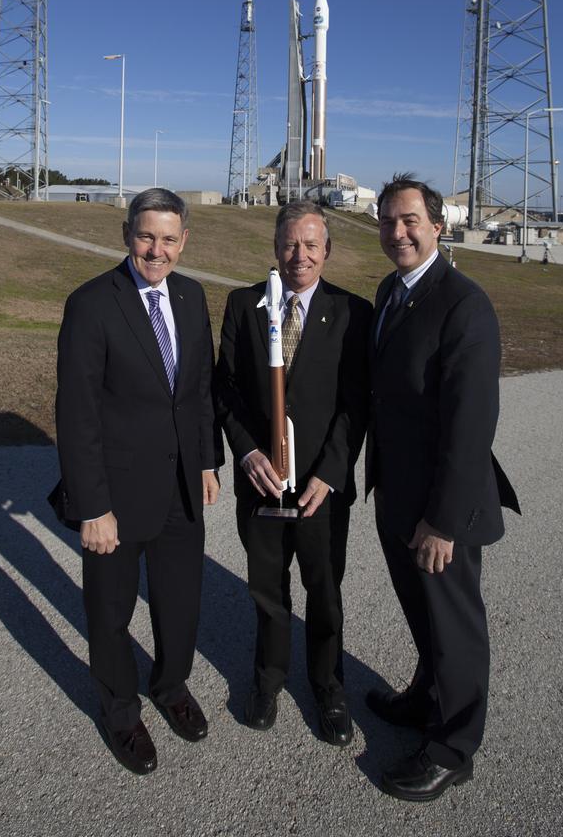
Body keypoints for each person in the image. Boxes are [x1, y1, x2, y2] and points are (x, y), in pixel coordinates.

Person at [52, 188, 220, 776]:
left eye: (169, 238)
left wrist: (207, 460)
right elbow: (77, 415)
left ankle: (170, 686)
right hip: (117, 499)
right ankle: (121, 714)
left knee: (180, 603)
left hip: (181, 490)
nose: (157, 249)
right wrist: (91, 506)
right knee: (110, 612)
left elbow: (199, 389)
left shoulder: (193, 296)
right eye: (146, 236)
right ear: (126, 234)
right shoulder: (93, 303)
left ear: (184, 240)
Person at [367, 173, 520, 802]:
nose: (397, 231)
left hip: (440, 508)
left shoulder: (463, 303)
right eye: (387, 221)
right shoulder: (389, 292)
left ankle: (455, 747)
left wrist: (444, 521)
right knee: (421, 615)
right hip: (398, 494)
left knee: (455, 627)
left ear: (437, 225)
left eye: (409, 220)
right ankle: (427, 696)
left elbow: (471, 423)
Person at [215, 201, 370, 745]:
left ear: (327, 251)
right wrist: (247, 452)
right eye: (289, 244)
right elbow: (226, 389)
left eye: (311, 245)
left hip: (320, 491)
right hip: (260, 482)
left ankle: (328, 685)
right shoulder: (244, 305)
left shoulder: (353, 312)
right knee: (267, 589)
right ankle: (268, 678)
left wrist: (329, 473)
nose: (299, 255)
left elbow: (356, 405)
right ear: (275, 247)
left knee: (323, 590)